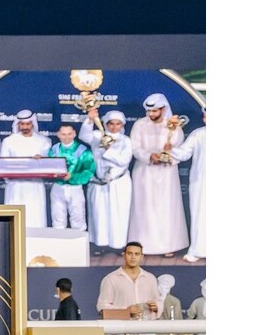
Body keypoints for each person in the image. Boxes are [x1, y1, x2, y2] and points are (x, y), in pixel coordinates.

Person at [128, 94, 189, 256]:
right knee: (144, 209)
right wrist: (149, 156)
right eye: (149, 112)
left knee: (166, 209)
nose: (152, 115)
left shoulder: (174, 127)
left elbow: (180, 149)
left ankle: (168, 246)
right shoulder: (139, 125)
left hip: (167, 174)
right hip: (144, 173)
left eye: (155, 111)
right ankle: (142, 245)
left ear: (163, 109)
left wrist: (169, 153)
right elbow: (135, 148)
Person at [87, 108, 134, 251]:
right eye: (111, 123)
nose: (114, 127)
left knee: (119, 214)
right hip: (99, 182)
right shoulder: (97, 136)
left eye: (117, 124)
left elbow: (124, 160)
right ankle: (99, 245)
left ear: (122, 125)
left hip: (118, 182)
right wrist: (90, 119)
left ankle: (119, 245)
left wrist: (108, 149)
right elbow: (84, 135)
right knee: (99, 214)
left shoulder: (125, 140)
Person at [0, 110, 50, 227]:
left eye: (28, 124)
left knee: (36, 216)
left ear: (32, 124)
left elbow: (48, 164)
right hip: (15, 186)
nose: (25, 127)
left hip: (35, 186)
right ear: (18, 124)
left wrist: (41, 159)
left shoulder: (43, 141)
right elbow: (3, 163)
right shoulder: (9, 141)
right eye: (22, 124)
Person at [97, 241, 163, 320]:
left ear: (142, 257)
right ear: (124, 255)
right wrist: (125, 311)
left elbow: (158, 301)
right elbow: (102, 306)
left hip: (146, 328)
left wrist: (156, 306)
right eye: (129, 253)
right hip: (121, 329)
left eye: (137, 254)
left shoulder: (150, 278)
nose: (133, 257)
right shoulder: (111, 279)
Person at [50, 122, 92, 232]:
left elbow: (89, 171)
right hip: (58, 187)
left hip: (75, 188)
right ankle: (58, 246)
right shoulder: (54, 149)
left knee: (78, 219)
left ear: (74, 134)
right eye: (63, 134)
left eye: (69, 134)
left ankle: (79, 247)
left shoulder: (83, 150)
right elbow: (49, 167)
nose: (66, 137)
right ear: (58, 134)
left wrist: (72, 176)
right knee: (57, 219)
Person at [177, 120, 208, 262]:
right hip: (201, 182)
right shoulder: (198, 134)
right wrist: (168, 152)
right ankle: (198, 250)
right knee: (199, 215)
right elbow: (184, 153)